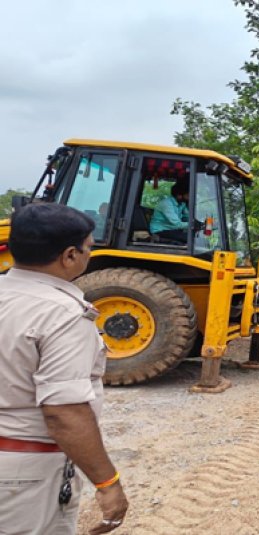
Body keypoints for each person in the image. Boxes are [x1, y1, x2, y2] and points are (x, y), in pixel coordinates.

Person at [0, 203, 128, 534]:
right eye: (89, 248)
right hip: (25, 475)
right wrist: (108, 481)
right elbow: (64, 412)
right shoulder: (64, 315)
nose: (89, 256)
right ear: (69, 255)